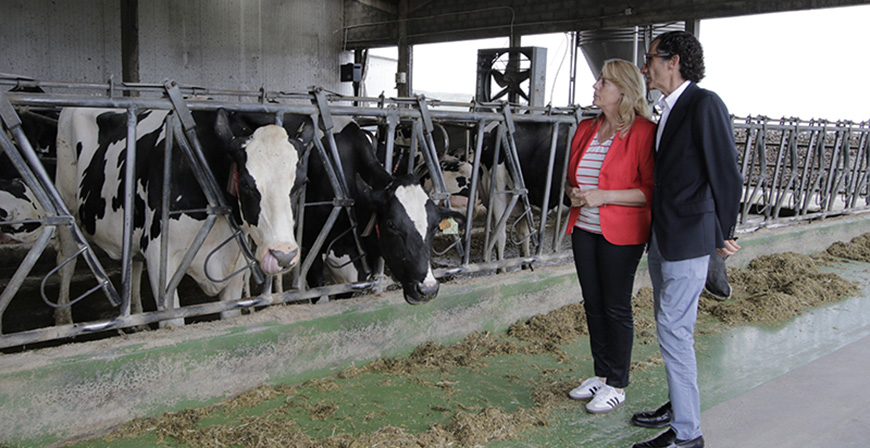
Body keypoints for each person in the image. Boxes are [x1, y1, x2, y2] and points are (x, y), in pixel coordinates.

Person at [630, 31, 743, 448]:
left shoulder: (704, 104)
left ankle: (687, 435)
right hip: (664, 236)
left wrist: (723, 232)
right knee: (671, 328)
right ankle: (679, 410)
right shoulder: (667, 109)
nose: (646, 67)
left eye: (651, 59)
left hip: (689, 238)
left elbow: (726, 173)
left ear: (673, 61)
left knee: (673, 331)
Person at [564, 59, 656, 414]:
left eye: (603, 82)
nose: (596, 87)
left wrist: (605, 197)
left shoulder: (644, 132)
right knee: (592, 303)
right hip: (584, 228)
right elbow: (574, 177)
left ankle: (618, 383)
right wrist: (574, 193)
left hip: (622, 233)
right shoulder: (586, 127)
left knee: (616, 306)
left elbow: (649, 190)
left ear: (624, 91)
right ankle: (601, 375)